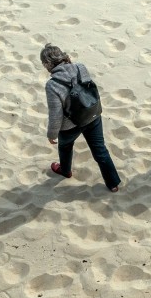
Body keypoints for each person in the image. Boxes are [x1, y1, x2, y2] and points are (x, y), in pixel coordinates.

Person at [41, 43, 122, 192]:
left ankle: (65, 171)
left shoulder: (52, 85)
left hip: (70, 125)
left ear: (47, 64)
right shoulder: (80, 67)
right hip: (92, 114)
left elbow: (55, 114)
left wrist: (52, 134)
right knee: (100, 150)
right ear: (62, 55)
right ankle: (113, 184)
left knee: (64, 146)